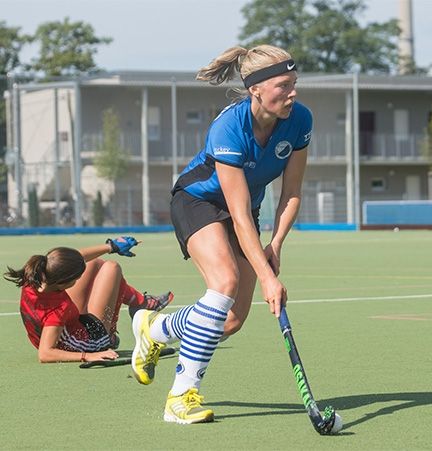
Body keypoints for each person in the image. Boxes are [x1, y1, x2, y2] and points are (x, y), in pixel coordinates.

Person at [130, 44, 311, 424]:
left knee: (229, 322)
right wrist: (266, 277)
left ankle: (156, 327)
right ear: (256, 89)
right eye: (283, 85)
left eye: (294, 83)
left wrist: (274, 245)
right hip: (198, 201)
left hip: (244, 209)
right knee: (225, 281)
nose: (292, 92)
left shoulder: (300, 120)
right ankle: (180, 398)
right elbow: (239, 214)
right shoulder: (229, 127)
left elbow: (292, 191)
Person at [4, 236, 174, 363]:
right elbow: (45, 354)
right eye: (76, 278)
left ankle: (140, 302)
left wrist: (111, 246)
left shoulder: (34, 276)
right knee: (111, 268)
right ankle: (113, 332)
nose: (78, 279)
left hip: (69, 326)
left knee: (94, 263)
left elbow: (78, 259)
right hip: (85, 342)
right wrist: (90, 355)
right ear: (63, 282)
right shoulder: (57, 309)